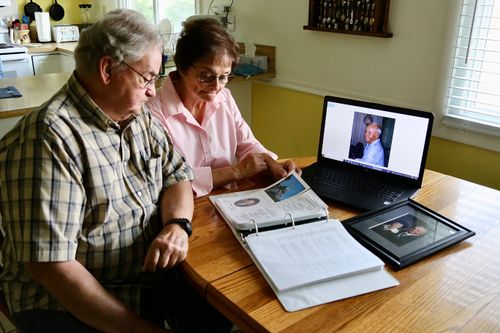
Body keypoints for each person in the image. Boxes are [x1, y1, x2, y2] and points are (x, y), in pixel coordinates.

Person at [0, 9, 231, 333]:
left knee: (223, 311)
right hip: (61, 302)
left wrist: (177, 226)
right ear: (107, 70)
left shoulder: (137, 115)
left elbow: (178, 174)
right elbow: (53, 268)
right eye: (147, 77)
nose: (153, 90)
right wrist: (139, 329)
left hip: (143, 276)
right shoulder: (49, 138)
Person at [146, 17, 300, 197]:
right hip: (182, 208)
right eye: (206, 76)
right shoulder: (154, 112)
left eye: (224, 77)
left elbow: (247, 145)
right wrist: (235, 172)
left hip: (230, 199)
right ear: (182, 67)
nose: (216, 86)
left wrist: (272, 163)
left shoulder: (224, 98)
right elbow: (167, 179)